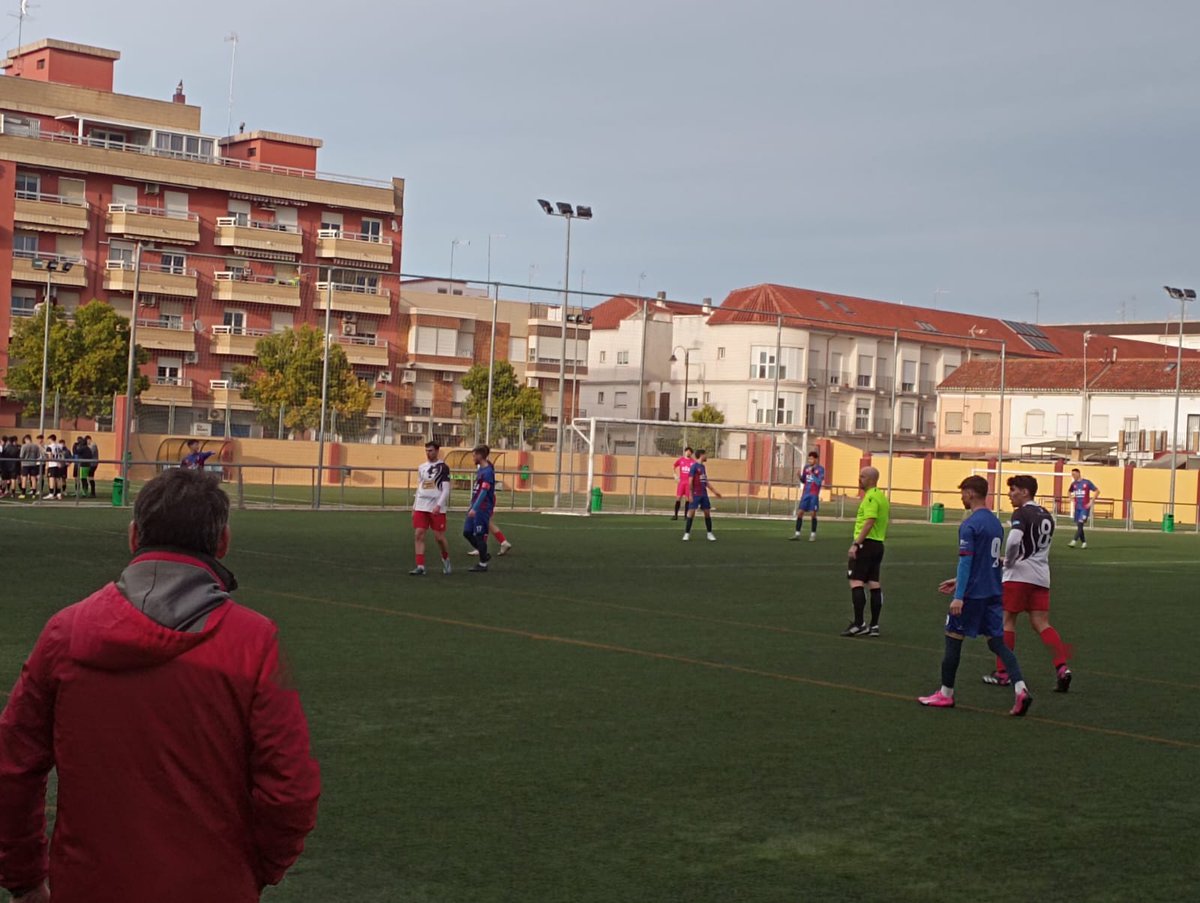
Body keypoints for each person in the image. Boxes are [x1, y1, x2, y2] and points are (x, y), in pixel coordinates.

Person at [0, 468, 320, 902]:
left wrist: (24, 880)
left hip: (88, 885)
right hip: (212, 886)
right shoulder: (254, 641)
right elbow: (290, 789)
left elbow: (13, 769)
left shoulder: (65, 632)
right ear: (223, 543)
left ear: (134, 537)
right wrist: (255, 869)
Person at [920, 476, 1033, 716]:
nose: (961, 497)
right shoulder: (995, 523)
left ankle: (945, 694)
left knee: (953, 639)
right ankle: (1020, 688)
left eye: (963, 492)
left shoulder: (970, 524)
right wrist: (959, 580)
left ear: (971, 493)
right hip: (993, 591)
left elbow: (967, 560)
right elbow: (987, 562)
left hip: (972, 595)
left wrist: (959, 595)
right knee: (997, 643)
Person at [983, 475, 1073, 692]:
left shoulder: (1021, 513)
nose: (1010, 494)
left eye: (1013, 490)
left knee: (1006, 621)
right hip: (1041, 575)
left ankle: (1003, 672)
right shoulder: (1047, 515)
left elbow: (1014, 540)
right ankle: (1062, 667)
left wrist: (1010, 561)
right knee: (1042, 623)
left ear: (1025, 492)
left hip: (1019, 575)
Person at [841, 466, 890, 637]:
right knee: (874, 583)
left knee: (856, 581)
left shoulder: (870, 498)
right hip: (878, 545)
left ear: (871, 479)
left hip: (866, 545)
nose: (859, 479)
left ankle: (859, 623)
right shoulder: (881, 497)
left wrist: (856, 543)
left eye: (862, 476)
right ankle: (874, 625)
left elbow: (869, 521)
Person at [411, 440, 452, 576]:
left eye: (431, 450)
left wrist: (439, 505)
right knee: (419, 534)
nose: (428, 453)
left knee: (439, 537)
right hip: (421, 505)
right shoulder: (421, 467)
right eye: (426, 451)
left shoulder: (443, 468)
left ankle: (445, 558)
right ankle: (420, 566)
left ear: (437, 451)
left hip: (436, 506)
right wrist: (414, 505)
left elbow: (446, 489)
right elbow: (419, 486)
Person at [463, 444, 496, 572]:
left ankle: (483, 564)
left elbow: (484, 492)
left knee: (480, 534)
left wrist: (475, 508)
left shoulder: (488, 471)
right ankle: (484, 554)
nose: (473, 458)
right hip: (475, 506)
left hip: (482, 508)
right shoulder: (481, 470)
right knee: (467, 532)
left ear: (480, 456)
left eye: (474, 455)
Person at [682, 449, 722, 542]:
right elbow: (690, 481)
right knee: (691, 513)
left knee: (707, 513)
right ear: (701, 455)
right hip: (695, 493)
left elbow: (705, 481)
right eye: (705, 454)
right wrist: (690, 494)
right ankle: (687, 534)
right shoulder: (694, 466)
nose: (707, 456)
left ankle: (709, 533)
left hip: (703, 493)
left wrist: (714, 491)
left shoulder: (703, 467)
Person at [790, 450, 825, 541]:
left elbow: (818, 482)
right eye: (809, 459)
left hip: (814, 494)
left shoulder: (820, 469)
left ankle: (813, 534)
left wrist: (812, 473)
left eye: (811, 459)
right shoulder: (806, 467)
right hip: (805, 494)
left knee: (813, 514)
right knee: (800, 513)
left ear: (816, 459)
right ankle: (797, 534)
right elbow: (804, 481)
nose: (810, 460)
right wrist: (799, 476)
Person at [1066, 468, 1098, 548]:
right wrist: (1071, 499)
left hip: (1085, 507)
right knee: (1080, 526)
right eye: (1072, 474)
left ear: (1078, 473)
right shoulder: (1074, 484)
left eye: (1074, 474)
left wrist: (1091, 502)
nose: (1072, 476)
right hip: (1077, 508)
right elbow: (1069, 492)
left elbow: (1097, 491)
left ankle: (1074, 541)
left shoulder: (1087, 482)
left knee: (1080, 523)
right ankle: (1084, 542)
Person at [672, 447, 695, 520]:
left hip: (688, 483)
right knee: (678, 498)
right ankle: (675, 515)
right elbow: (674, 466)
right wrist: (674, 474)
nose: (688, 453)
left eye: (689, 452)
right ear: (685, 452)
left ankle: (686, 516)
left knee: (687, 499)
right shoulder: (681, 460)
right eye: (687, 451)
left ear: (691, 453)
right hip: (681, 482)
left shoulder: (693, 462)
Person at [42, 435, 66, 500]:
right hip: (58, 465)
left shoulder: (49, 447)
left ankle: (51, 493)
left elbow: (50, 457)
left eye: (49, 439)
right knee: (57, 479)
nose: (48, 441)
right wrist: (60, 462)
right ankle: (58, 494)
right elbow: (62, 455)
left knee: (51, 479)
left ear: (51, 439)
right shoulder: (59, 446)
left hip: (52, 464)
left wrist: (48, 461)